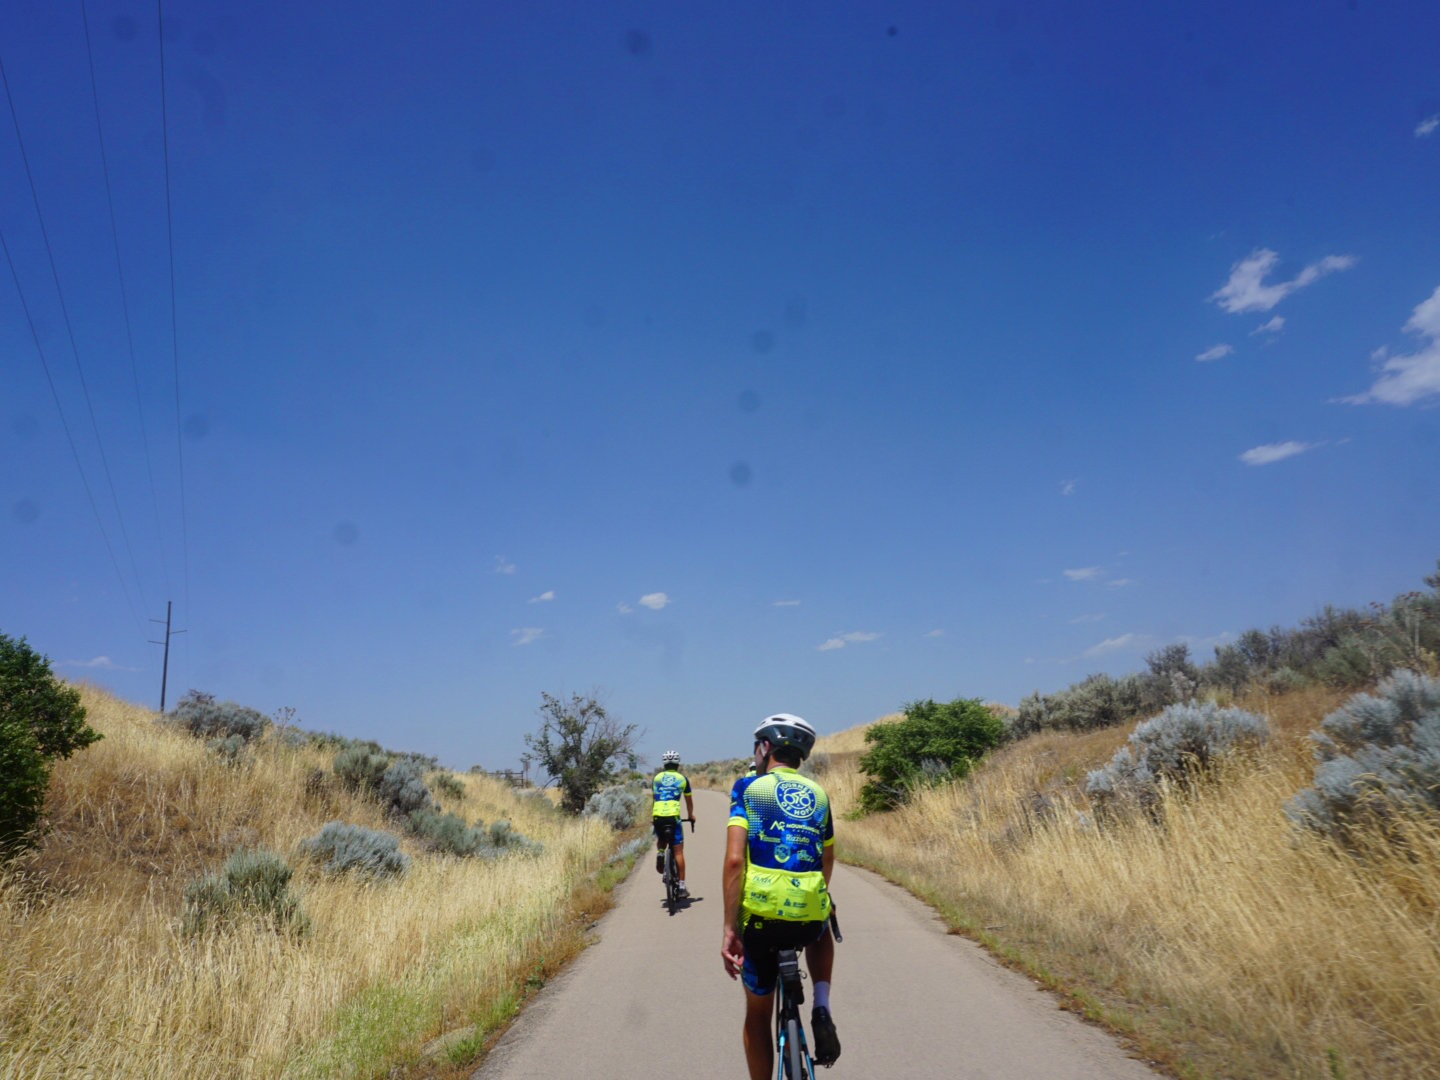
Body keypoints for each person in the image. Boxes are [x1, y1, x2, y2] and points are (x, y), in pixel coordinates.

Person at [722, 714, 840, 1077]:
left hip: (760, 918)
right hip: (805, 916)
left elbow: (735, 861)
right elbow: (827, 859)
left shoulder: (747, 788)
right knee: (825, 915)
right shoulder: (819, 795)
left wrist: (729, 927)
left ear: (765, 747)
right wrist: (816, 897)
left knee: (758, 1015)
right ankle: (821, 1005)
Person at [651, 749, 694, 896]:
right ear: (677, 764)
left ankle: (661, 852)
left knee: (661, 838)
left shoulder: (656, 778)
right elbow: (689, 801)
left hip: (658, 814)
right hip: (673, 816)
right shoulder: (683, 779)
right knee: (678, 851)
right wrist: (691, 816)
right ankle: (682, 887)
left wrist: (653, 816)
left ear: (664, 764)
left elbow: (655, 798)